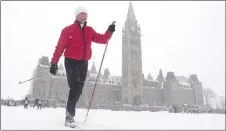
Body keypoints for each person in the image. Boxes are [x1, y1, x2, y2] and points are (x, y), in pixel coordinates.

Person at [49, 6, 115, 128]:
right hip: (71, 62)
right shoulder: (67, 30)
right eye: (81, 14)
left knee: (78, 90)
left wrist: (109, 31)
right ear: (76, 15)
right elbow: (59, 47)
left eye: (86, 14)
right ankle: (69, 116)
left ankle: (70, 113)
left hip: (84, 63)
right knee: (74, 88)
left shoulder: (89, 30)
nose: (84, 16)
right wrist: (54, 63)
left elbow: (103, 39)